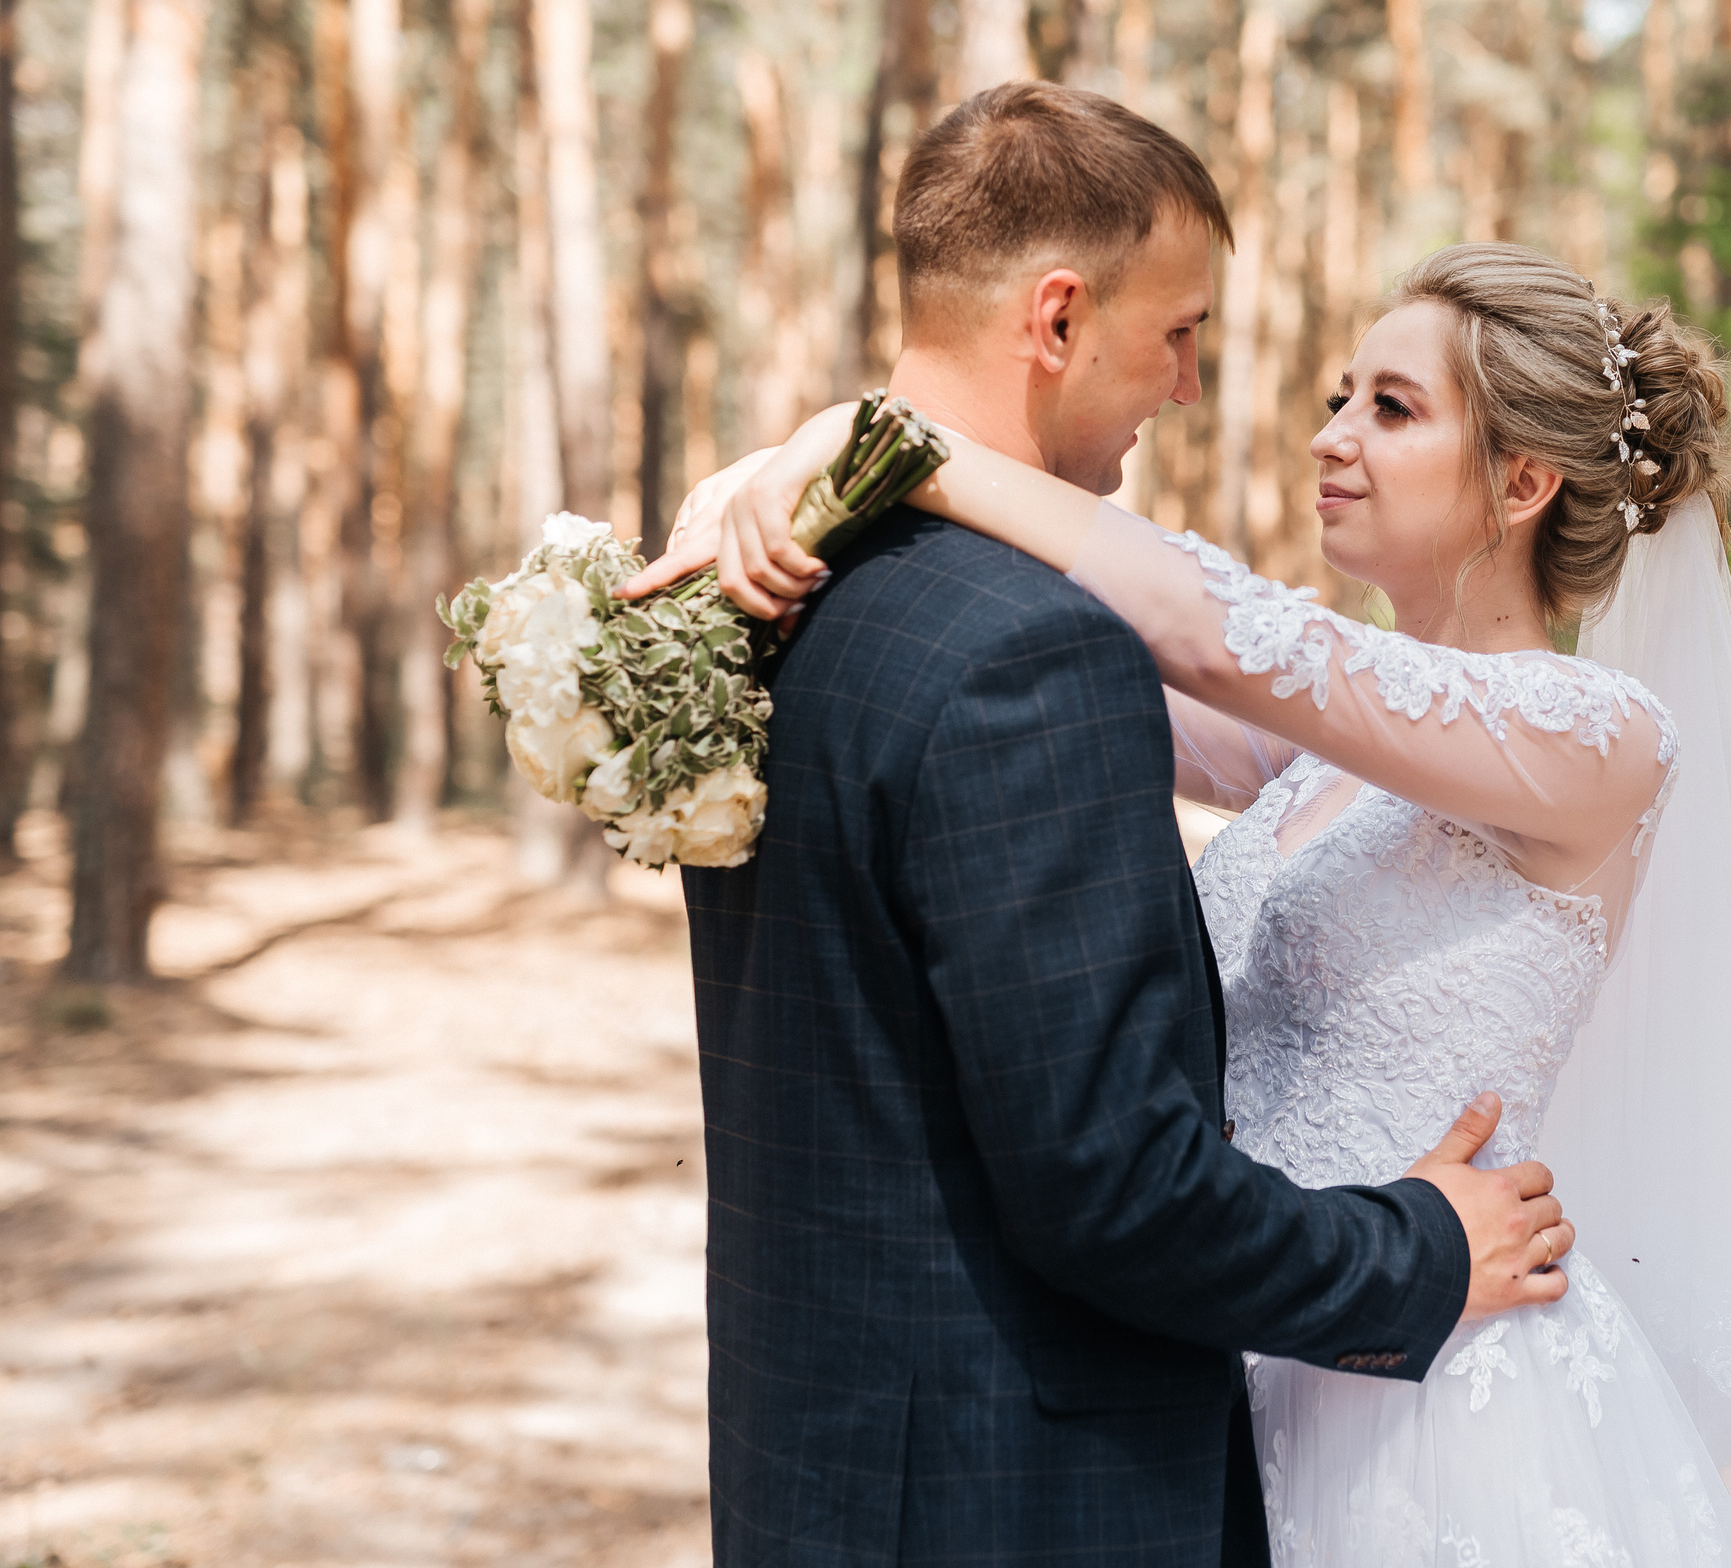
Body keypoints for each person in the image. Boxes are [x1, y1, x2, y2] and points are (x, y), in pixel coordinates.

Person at [662, 221, 1731, 1563]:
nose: (1333, 434)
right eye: (1341, 395)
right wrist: (792, 507)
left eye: (1391, 408)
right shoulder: (1318, 751)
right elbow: (1026, 659)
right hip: (1272, 1338)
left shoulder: (1596, 737)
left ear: (1519, 482)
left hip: (1447, 1409)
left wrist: (883, 439)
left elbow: (1212, 629)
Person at [631, 83, 1582, 1567]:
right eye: (1181, 333)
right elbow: (1117, 1190)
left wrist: (846, 445)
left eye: (1388, 406)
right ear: (1058, 318)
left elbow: (1235, 648)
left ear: (1532, 480)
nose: (1195, 388)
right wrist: (1419, 1247)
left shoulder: (780, 602)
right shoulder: (1031, 655)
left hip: (832, 1454)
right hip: (1023, 1483)